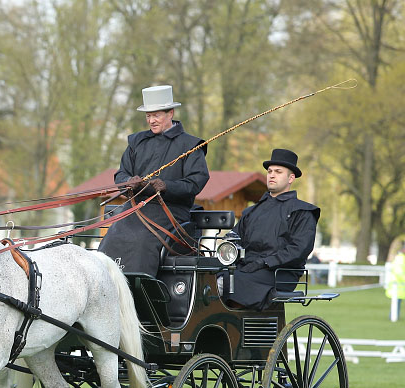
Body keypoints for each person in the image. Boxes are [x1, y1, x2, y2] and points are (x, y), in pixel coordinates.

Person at [99, 85, 210, 275]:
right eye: (148, 116)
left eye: (156, 115)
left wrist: (167, 186)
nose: (151, 120)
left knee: (141, 240)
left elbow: (196, 182)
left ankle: (141, 291)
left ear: (170, 113)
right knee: (111, 237)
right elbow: (121, 174)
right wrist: (128, 182)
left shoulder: (190, 145)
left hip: (170, 211)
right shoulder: (137, 142)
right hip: (135, 209)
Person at [222, 149, 320, 310]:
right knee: (210, 277)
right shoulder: (251, 211)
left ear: (291, 178)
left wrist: (265, 262)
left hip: (280, 272)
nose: (272, 175)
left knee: (234, 281)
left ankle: (230, 322)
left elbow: (299, 249)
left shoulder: (303, 212)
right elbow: (234, 238)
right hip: (247, 267)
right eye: (269, 171)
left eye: (278, 172)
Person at [385, 245, 405, 321]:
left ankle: (394, 317)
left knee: (396, 303)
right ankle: (393, 317)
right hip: (398, 286)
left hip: (400, 286)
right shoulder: (400, 259)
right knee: (396, 303)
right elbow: (399, 273)